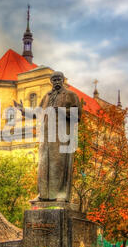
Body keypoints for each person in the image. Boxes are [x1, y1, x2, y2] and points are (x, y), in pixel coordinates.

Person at [14, 71, 82, 201]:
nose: (56, 82)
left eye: (58, 79)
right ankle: (43, 195)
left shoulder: (70, 95)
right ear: (51, 82)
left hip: (61, 135)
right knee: (43, 165)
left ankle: (60, 195)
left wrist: (61, 111)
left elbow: (77, 114)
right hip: (45, 135)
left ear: (63, 80)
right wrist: (23, 110)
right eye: (54, 80)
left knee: (58, 163)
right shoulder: (46, 96)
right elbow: (37, 112)